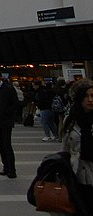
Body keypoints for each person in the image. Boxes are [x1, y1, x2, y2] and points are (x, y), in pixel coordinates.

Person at [59, 78, 93, 210]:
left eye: (92, 96)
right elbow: (64, 149)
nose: (90, 99)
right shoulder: (71, 120)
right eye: (85, 96)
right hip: (77, 173)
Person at [0, 68, 19, 178]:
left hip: (5, 121)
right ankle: (5, 166)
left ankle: (12, 169)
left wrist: (7, 113)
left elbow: (15, 103)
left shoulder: (8, 88)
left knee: (7, 145)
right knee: (0, 145)